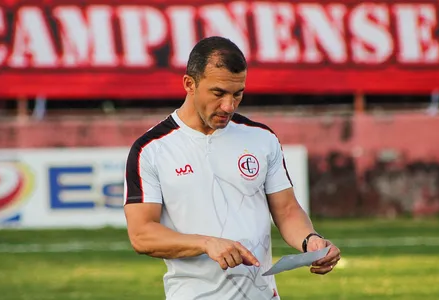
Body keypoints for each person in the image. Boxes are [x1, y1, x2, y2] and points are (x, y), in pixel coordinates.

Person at [123, 36, 341, 300]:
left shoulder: (262, 138)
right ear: (189, 84)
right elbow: (142, 234)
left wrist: (310, 240)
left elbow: (286, 209)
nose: (228, 106)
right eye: (218, 93)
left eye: (237, 94)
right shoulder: (150, 149)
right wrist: (205, 243)